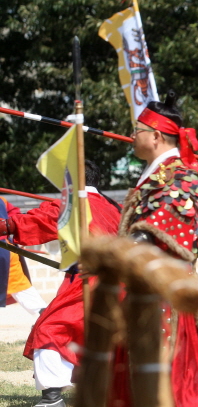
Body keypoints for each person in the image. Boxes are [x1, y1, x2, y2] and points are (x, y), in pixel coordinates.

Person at [119, 91, 198, 406]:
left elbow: (168, 224)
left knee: (167, 386)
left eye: (137, 130)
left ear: (155, 136)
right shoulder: (158, 172)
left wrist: (120, 251)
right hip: (146, 290)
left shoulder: (179, 173)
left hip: (163, 296)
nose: (132, 136)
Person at [0, 160, 122, 407]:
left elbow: (36, 221)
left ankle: (53, 398)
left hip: (90, 283)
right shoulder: (115, 207)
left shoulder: (74, 205)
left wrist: (4, 226)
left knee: (50, 330)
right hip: (122, 283)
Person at [0, 197, 47, 318]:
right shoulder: (2, 200)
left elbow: (15, 218)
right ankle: (46, 317)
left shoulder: (2, 201)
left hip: (3, 252)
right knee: (23, 291)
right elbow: (16, 216)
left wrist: (18, 233)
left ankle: (48, 320)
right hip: (6, 251)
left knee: (22, 290)